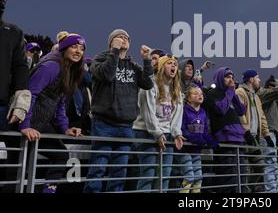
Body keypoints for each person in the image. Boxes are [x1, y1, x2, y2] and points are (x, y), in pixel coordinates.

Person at [84, 29, 153, 193]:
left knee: (119, 172)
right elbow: (107, 75)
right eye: (119, 37)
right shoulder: (99, 59)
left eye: (126, 37)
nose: (123, 39)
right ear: (110, 42)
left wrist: (147, 61)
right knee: (98, 169)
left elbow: (148, 84)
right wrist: (114, 52)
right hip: (104, 124)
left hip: (126, 126)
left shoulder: (132, 65)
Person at [19, 34, 86, 193]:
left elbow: (59, 102)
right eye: (74, 46)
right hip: (27, 122)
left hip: (40, 124)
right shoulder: (52, 66)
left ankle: (48, 191)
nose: (78, 51)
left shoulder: (68, 69)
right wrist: (25, 125)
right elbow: (30, 94)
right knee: (19, 167)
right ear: (64, 47)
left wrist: (65, 128)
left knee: (60, 156)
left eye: (82, 49)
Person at [133, 54, 184, 192]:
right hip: (145, 132)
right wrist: (157, 133)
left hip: (166, 135)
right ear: (161, 67)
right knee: (148, 176)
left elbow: (177, 116)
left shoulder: (177, 91)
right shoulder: (150, 85)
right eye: (169, 63)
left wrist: (176, 133)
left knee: (164, 176)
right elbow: (147, 111)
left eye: (175, 64)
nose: (173, 66)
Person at [0, 0, 30, 192]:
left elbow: (20, 68)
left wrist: (20, 103)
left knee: (7, 161)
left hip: (1, 107)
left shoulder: (14, 31)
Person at [204, 67, 246, 193]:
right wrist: (229, 92)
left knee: (241, 175)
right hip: (225, 139)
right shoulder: (212, 93)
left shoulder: (230, 93)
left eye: (232, 77)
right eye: (227, 77)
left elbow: (241, 111)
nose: (231, 80)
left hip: (239, 138)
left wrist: (233, 93)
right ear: (219, 78)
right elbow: (220, 109)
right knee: (228, 177)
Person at [236, 69, 275, 193]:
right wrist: (246, 131)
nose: (259, 80)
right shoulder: (240, 92)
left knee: (260, 166)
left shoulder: (256, 96)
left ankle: (249, 188)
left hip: (255, 137)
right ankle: (245, 191)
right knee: (245, 168)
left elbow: (262, 117)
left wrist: (266, 134)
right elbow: (239, 113)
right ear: (251, 79)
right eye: (257, 77)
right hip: (244, 137)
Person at [179, 84, 217, 193]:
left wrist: (212, 142)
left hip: (196, 151)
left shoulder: (203, 113)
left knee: (198, 178)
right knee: (189, 177)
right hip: (184, 151)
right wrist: (195, 139)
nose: (199, 95)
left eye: (201, 94)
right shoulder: (184, 110)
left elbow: (205, 132)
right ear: (189, 98)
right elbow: (182, 129)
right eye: (195, 93)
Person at [256, 75, 278, 192]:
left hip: (271, 133)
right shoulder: (263, 93)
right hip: (266, 133)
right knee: (270, 164)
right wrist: (276, 81)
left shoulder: (271, 97)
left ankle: (273, 190)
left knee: (273, 165)